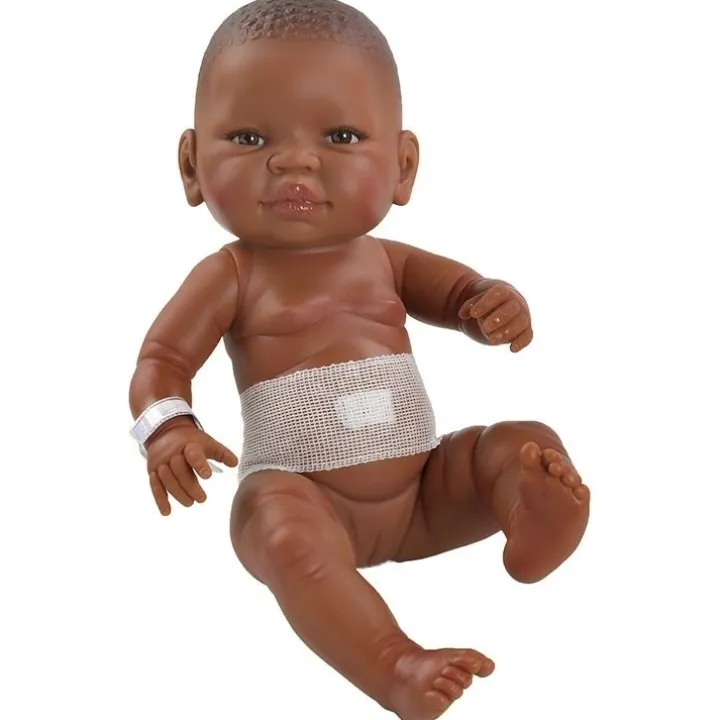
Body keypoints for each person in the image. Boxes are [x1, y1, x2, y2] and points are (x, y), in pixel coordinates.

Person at [128, 2, 590, 718]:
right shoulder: (232, 276)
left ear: (403, 168)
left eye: (340, 136)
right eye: (249, 137)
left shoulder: (386, 260)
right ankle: (393, 663)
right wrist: (167, 430)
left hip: (425, 493)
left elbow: (462, 296)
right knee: (277, 529)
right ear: (192, 167)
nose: (295, 160)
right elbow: (161, 358)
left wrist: (492, 303)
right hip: (307, 496)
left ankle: (531, 518)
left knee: (522, 442)